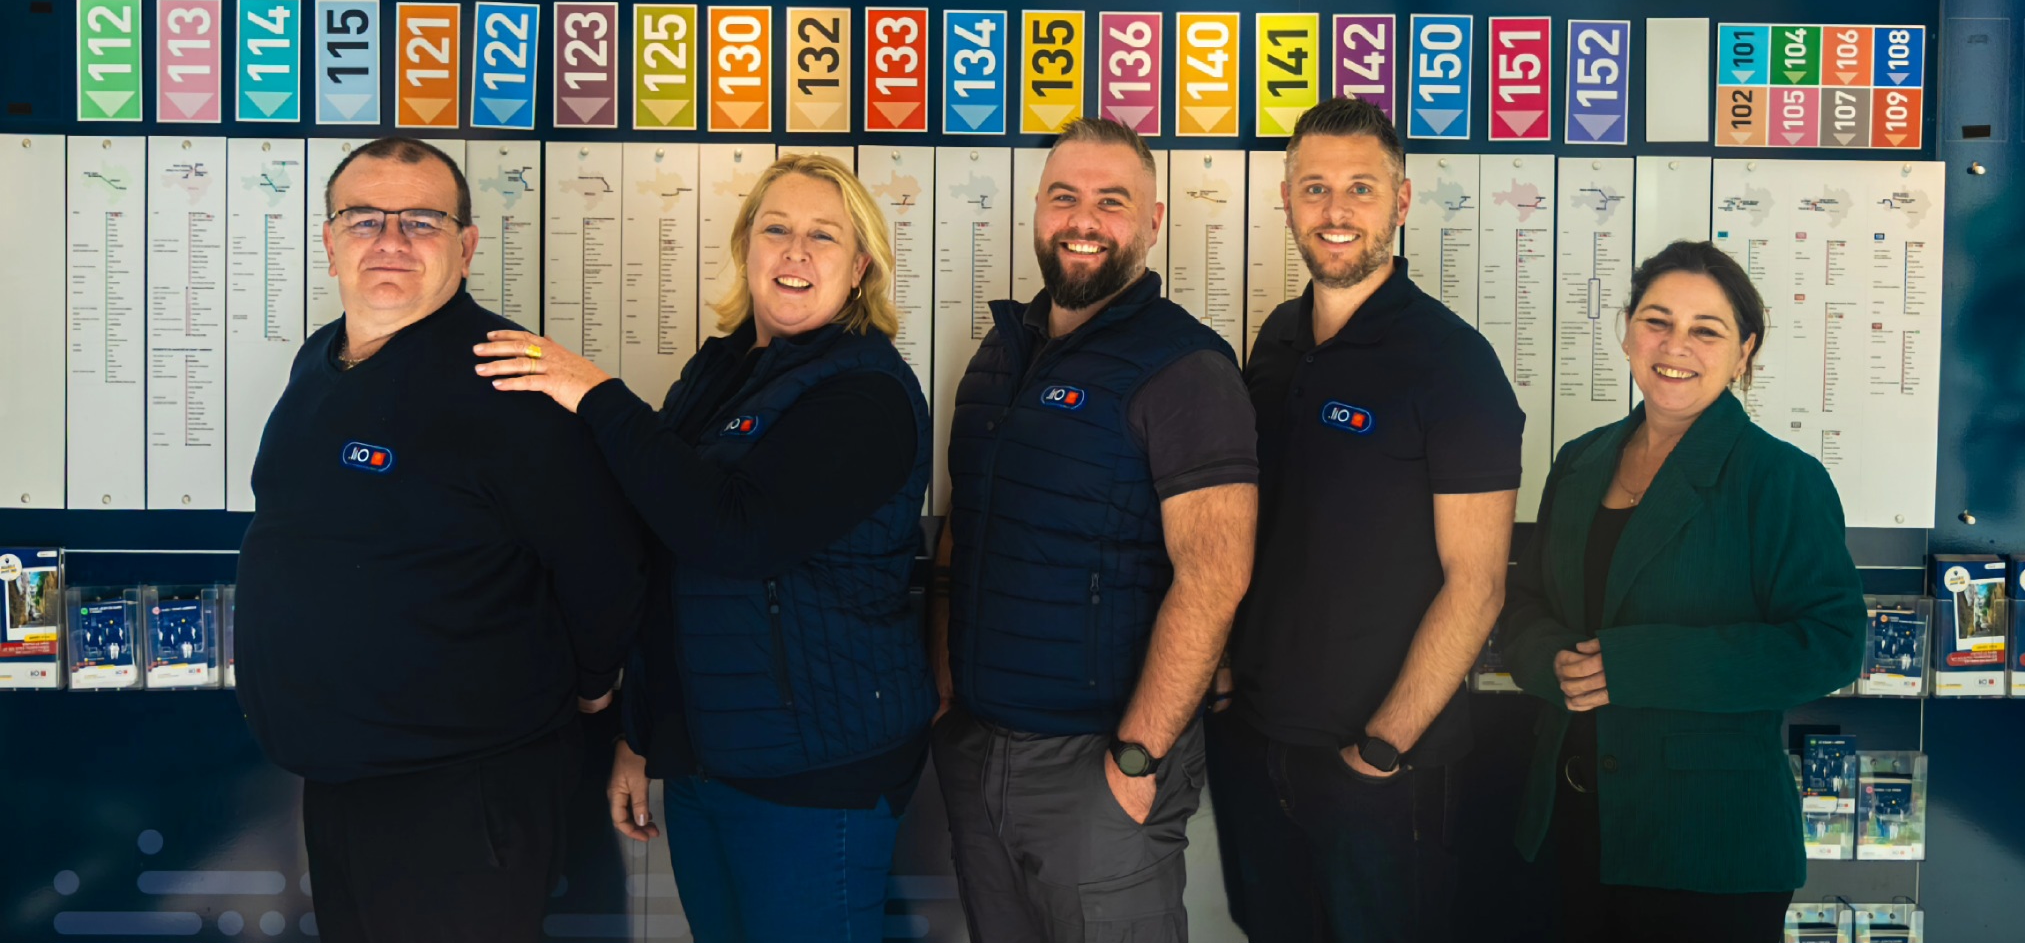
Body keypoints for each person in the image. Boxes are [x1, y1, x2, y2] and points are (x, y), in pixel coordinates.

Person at [475, 153, 934, 943]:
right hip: (704, 759)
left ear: (860, 267)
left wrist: (596, 394)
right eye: (776, 228)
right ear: (746, 245)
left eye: (823, 236)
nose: (795, 251)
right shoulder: (718, 372)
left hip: (815, 778)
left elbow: (736, 535)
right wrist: (642, 736)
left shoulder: (868, 393)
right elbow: (665, 556)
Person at [236, 137, 645, 943]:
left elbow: (607, 565)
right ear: (330, 242)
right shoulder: (319, 360)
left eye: (421, 221)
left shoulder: (512, 378)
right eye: (364, 219)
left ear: (466, 247)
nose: (390, 240)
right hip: (340, 778)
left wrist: (595, 685)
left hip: (460, 793)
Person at [930, 116, 1260, 943]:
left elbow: (1215, 576)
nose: (1084, 220)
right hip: (977, 748)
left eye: (1112, 201)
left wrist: (1138, 758)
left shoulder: (1186, 368)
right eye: (1064, 197)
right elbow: (965, 526)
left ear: (1152, 222)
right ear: (1038, 210)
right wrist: (944, 681)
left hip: (1097, 765)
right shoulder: (999, 355)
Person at [1206, 99, 1524, 943]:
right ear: (1286, 200)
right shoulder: (1276, 340)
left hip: (1380, 769)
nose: (1335, 210)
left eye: (1361, 188)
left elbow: (1478, 584)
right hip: (1256, 743)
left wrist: (1381, 750)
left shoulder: (1454, 364)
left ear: (1402, 201)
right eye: (1315, 188)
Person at [1500, 240, 1866, 943]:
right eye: (1657, 321)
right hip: (1567, 829)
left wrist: (1636, 666)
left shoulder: (1780, 478)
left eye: (1707, 330)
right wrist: (1551, 661)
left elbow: (1830, 644)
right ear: (1628, 332)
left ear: (1744, 352)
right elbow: (1525, 605)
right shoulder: (1578, 462)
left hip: (1710, 848)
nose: (1676, 346)